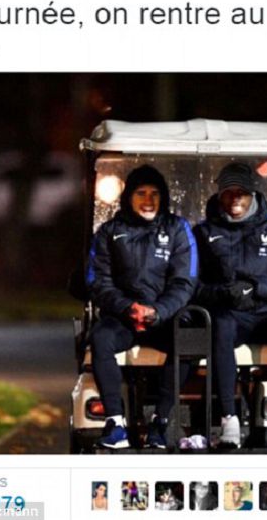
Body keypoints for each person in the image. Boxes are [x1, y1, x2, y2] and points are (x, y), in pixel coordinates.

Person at [193, 162, 267, 449]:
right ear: (219, 193)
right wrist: (225, 293)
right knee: (220, 324)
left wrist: (257, 287)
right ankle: (229, 420)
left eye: (242, 192)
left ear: (253, 194)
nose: (235, 198)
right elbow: (192, 288)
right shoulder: (204, 233)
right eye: (228, 192)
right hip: (232, 315)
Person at [85, 165, 197, 449]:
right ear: (129, 197)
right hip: (123, 317)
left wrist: (158, 311)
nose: (149, 200)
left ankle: (160, 422)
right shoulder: (110, 232)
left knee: (189, 339)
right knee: (100, 337)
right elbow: (98, 281)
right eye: (141, 193)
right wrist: (128, 308)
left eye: (155, 193)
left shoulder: (177, 228)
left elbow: (184, 281)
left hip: (163, 317)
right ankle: (115, 423)